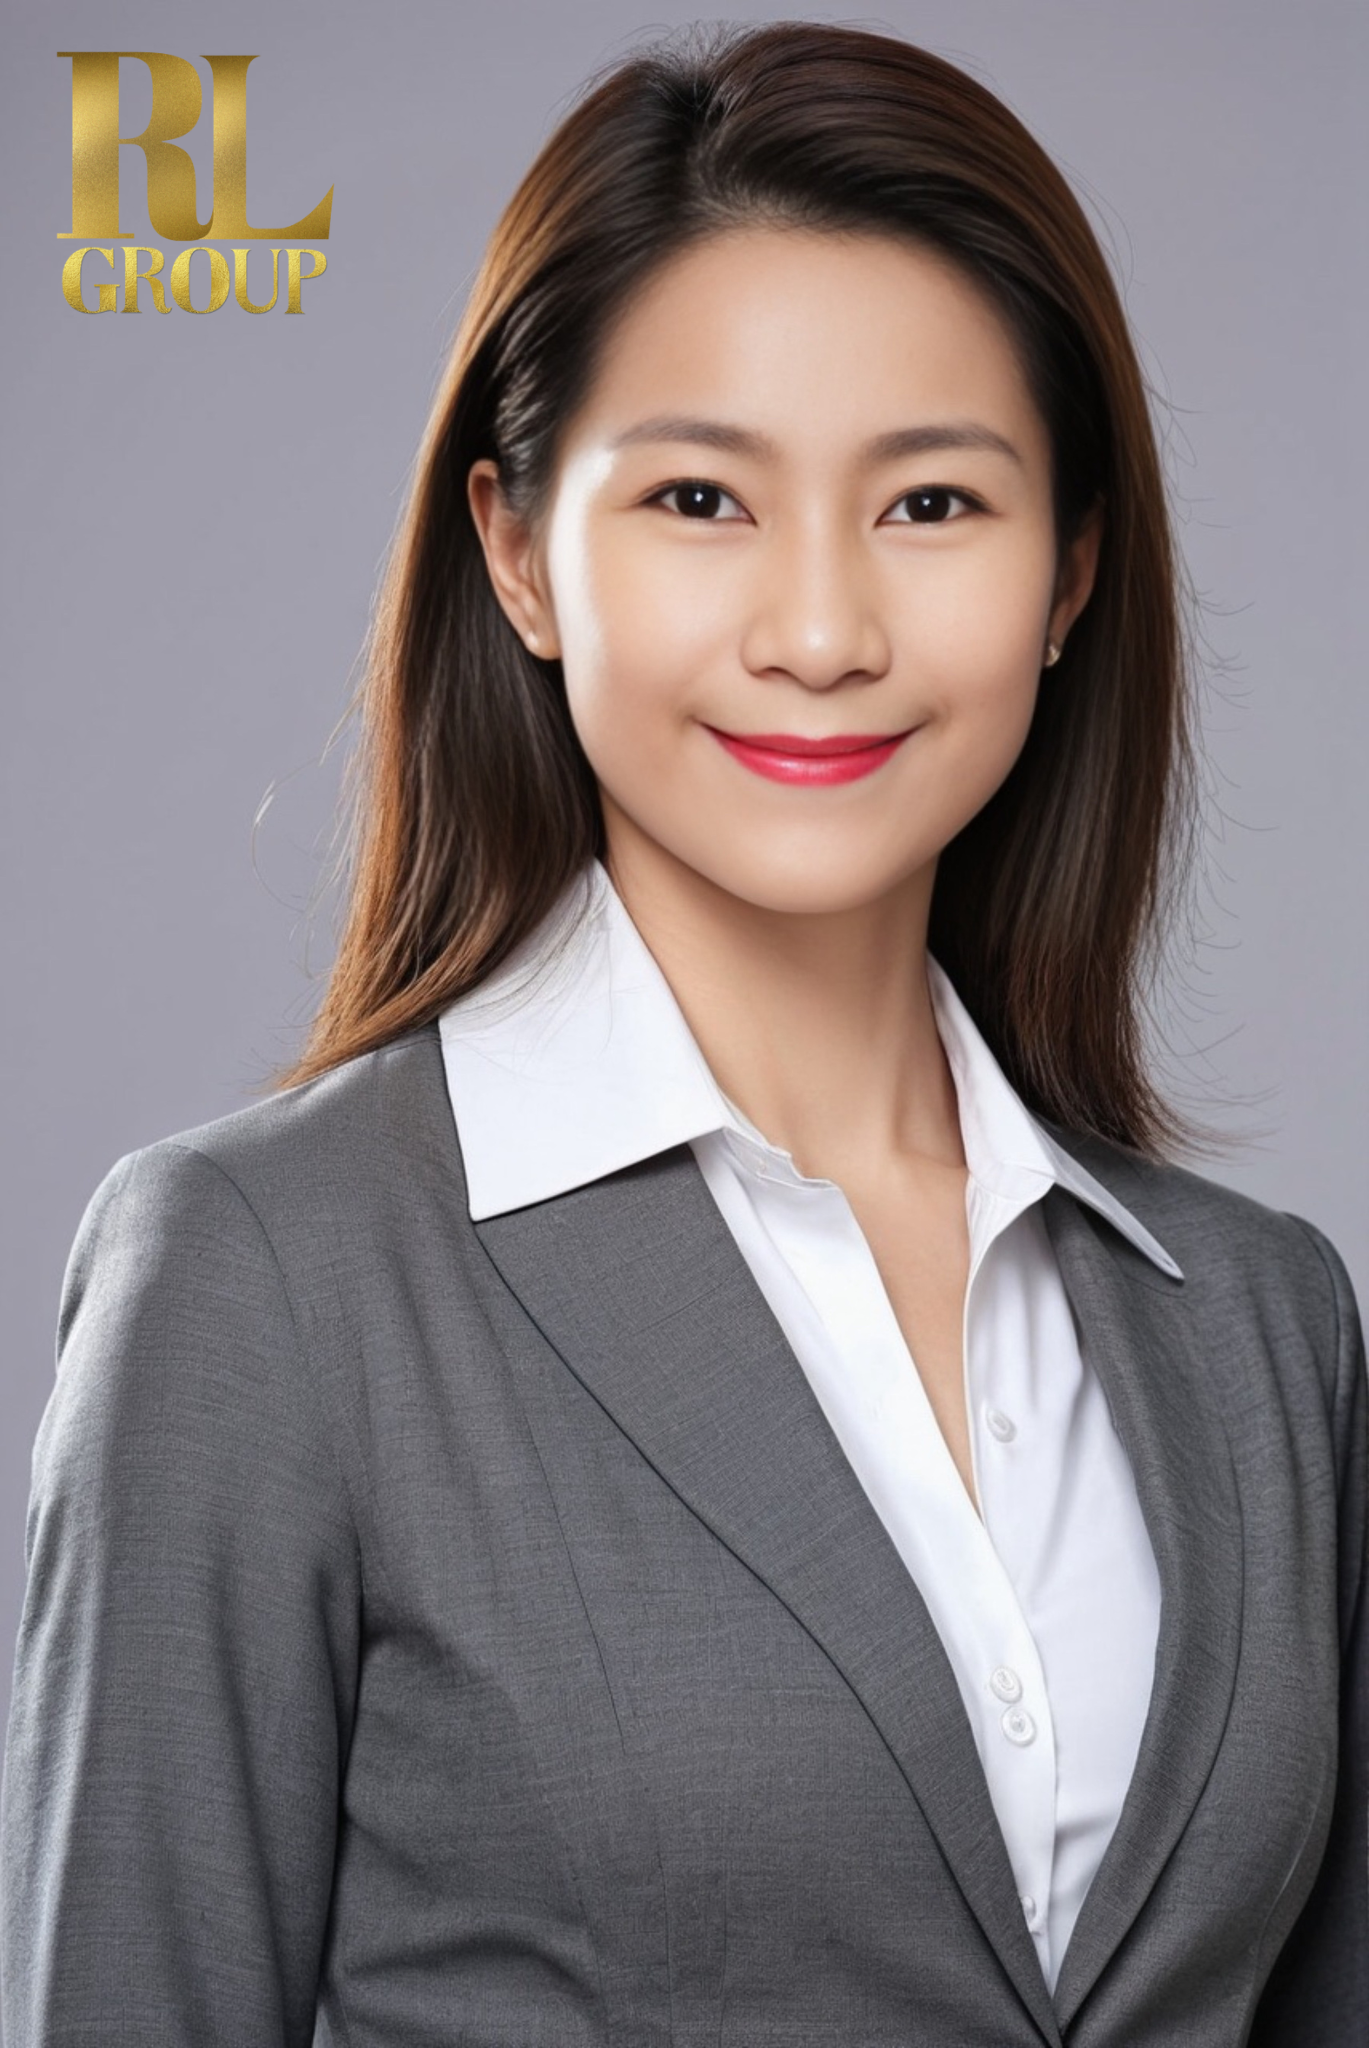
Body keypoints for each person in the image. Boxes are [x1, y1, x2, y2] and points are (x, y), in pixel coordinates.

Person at [2, 19, 1363, 2045]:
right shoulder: (264, 1281)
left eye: (932, 505)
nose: (821, 630)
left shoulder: (1259, 1324)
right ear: (518, 551)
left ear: (1073, 571)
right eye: (705, 498)